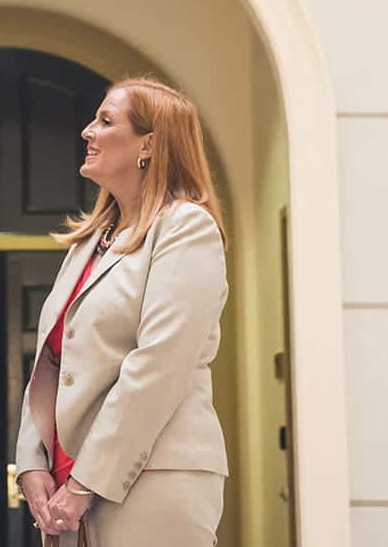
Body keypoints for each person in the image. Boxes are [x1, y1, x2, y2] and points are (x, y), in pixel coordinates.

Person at [15, 77, 229, 545]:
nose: (87, 132)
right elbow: (52, 361)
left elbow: (159, 365)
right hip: (66, 486)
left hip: (153, 480)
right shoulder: (92, 241)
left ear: (148, 145)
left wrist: (84, 484)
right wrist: (31, 461)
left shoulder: (186, 228)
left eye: (106, 121)